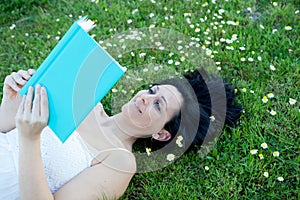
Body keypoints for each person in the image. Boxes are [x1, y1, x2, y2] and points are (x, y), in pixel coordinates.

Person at [0, 68, 242, 200]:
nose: (145, 98)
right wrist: (9, 101)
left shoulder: (120, 161)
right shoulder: (84, 100)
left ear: (161, 134)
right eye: (151, 90)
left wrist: (30, 138)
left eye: (158, 105)